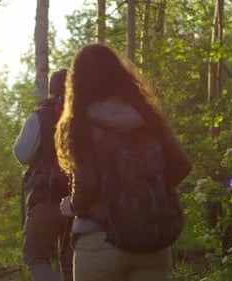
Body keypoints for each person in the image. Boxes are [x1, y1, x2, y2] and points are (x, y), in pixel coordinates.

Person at [56, 44, 192, 281]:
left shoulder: (81, 123)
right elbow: (181, 165)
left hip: (100, 240)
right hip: (152, 242)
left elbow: (86, 184)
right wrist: (144, 189)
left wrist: (73, 206)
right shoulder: (148, 117)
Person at [13, 69, 73, 281]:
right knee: (71, 264)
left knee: (35, 258)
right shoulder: (84, 116)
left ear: (50, 90)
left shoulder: (40, 116)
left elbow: (22, 154)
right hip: (79, 200)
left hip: (46, 198)